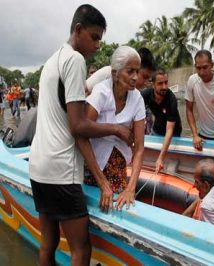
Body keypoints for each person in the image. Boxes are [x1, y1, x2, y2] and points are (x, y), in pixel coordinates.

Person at [29, 5, 132, 265]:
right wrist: (116, 129)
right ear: (78, 30)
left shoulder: (53, 61)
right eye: (94, 37)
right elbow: (78, 126)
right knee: (81, 250)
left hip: (38, 166)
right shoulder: (75, 60)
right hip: (61, 171)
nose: (98, 45)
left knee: (48, 243)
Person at [84, 46, 145, 210]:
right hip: (92, 166)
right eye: (130, 71)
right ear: (114, 74)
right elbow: (83, 132)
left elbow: (139, 148)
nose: (135, 77)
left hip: (118, 165)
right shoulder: (101, 92)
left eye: (137, 72)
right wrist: (115, 129)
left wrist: (130, 189)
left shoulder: (137, 98)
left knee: (119, 205)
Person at [141, 69, 182, 172]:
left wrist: (160, 158)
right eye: (160, 83)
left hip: (173, 133)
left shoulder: (171, 99)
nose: (164, 87)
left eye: (166, 82)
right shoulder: (145, 95)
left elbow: (169, 131)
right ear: (153, 84)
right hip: (157, 129)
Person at [85, 47, 156, 93]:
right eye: (144, 77)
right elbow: (84, 91)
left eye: (148, 79)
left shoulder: (135, 95)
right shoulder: (108, 73)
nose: (146, 83)